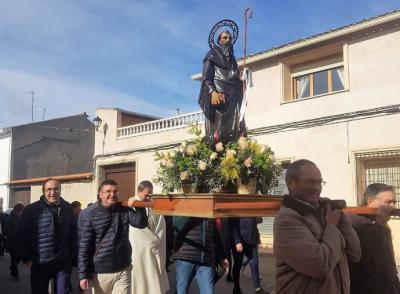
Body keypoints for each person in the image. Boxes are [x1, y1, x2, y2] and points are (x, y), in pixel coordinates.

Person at [273, 159, 361, 294]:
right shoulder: (287, 220)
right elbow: (321, 266)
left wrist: (341, 219)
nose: (317, 188)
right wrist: (331, 226)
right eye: (310, 182)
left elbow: (354, 254)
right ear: (291, 183)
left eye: (319, 182)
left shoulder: (323, 213)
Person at [78, 179, 148, 294]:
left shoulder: (124, 209)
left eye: (115, 191)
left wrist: (139, 206)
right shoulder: (89, 214)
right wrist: (83, 275)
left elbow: (140, 224)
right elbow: (83, 247)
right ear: (100, 194)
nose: (112, 194)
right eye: (108, 191)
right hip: (100, 272)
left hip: (123, 268)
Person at [16, 178, 74, 294]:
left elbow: (72, 233)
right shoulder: (31, 210)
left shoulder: (67, 208)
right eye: (49, 189)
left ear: (60, 190)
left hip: (61, 263)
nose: (52, 192)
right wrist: (27, 259)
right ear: (43, 191)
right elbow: (20, 236)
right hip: (40, 264)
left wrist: (70, 254)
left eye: (56, 189)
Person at [348, 183, 400, 293]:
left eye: (394, 202)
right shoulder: (353, 222)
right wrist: (380, 223)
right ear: (370, 201)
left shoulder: (381, 224)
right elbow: (366, 251)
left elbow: (390, 264)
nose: (392, 206)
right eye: (388, 202)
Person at [198, 30, 246, 146]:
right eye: (225, 38)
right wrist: (212, 91)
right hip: (220, 97)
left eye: (230, 38)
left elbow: (234, 77)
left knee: (235, 128)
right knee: (218, 130)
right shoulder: (211, 55)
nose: (228, 40)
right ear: (219, 40)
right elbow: (206, 77)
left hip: (234, 99)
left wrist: (242, 78)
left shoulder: (233, 61)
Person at [129, 180, 170, 294]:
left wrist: (155, 241)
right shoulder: (131, 205)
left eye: (150, 194)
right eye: (146, 194)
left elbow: (160, 227)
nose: (148, 197)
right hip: (137, 251)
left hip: (153, 250)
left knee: (153, 280)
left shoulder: (152, 206)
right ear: (138, 191)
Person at [173, 215, 229, 294]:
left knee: (208, 292)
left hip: (206, 259)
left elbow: (216, 233)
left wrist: (223, 256)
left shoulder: (209, 208)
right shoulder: (182, 205)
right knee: (181, 291)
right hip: (186, 257)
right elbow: (176, 225)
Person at [229, 217, 267, 294]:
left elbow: (258, 220)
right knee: (237, 264)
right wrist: (237, 241)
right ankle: (236, 288)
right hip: (240, 240)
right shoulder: (236, 205)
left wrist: (257, 219)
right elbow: (231, 221)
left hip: (252, 239)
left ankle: (258, 289)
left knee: (254, 263)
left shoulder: (252, 206)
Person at [6, 203, 24, 280]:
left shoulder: (20, 216)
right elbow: (8, 230)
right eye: (22, 209)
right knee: (14, 258)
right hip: (13, 241)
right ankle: (15, 274)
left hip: (18, 241)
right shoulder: (12, 217)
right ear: (19, 209)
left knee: (17, 257)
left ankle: (13, 267)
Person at [66, 201, 82, 292]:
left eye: (80, 208)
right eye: (78, 208)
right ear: (74, 209)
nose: (80, 210)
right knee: (68, 269)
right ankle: (68, 285)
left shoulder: (80, 217)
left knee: (81, 267)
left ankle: (81, 285)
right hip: (70, 248)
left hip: (78, 247)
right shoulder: (70, 219)